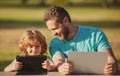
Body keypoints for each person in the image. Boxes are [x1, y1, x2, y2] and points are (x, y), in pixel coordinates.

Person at [44, 6, 118, 75]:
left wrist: (111, 66)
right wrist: (62, 68)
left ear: (66, 21)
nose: (53, 34)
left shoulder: (95, 34)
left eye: (55, 29)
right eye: (51, 30)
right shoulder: (54, 43)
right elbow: (59, 62)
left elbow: (110, 59)